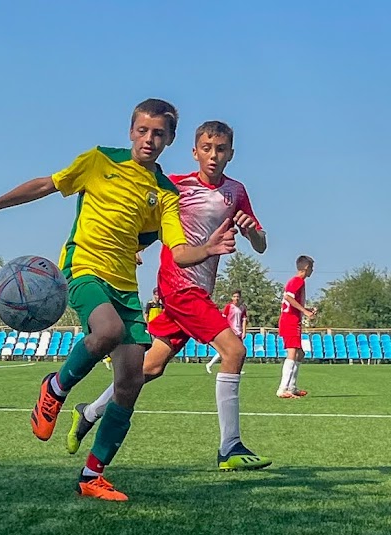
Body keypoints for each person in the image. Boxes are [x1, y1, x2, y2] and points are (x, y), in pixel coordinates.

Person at [0, 100, 237, 501]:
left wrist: (207, 248)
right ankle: (54, 387)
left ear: (171, 139)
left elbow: (177, 250)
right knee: (108, 331)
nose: (149, 139)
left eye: (158, 133)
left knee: (130, 382)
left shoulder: (165, 192)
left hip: (125, 287)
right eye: (143, 130)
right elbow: (45, 185)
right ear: (131, 131)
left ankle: (91, 476)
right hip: (84, 268)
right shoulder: (99, 160)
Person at [67, 120, 272, 473]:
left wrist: (254, 234)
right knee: (234, 350)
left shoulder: (235, 192)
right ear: (195, 152)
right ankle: (230, 446)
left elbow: (262, 244)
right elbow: (145, 213)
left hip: (198, 290)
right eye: (206, 149)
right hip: (179, 286)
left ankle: (88, 412)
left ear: (231, 154)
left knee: (149, 367)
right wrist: (129, 246)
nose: (213, 155)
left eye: (220, 149)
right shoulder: (175, 184)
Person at [276, 255, 315, 398]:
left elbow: (291, 301)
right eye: (312, 267)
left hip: (293, 320)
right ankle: (282, 389)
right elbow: (288, 297)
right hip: (289, 321)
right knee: (292, 352)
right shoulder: (297, 281)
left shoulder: (299, 282)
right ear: (306, 268)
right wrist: (304, 311)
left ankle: (292, 387)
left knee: (300, 354)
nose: (313, 270)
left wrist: (306, 309)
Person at [206, 289, 247, 374]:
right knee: (229, 350)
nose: (236, 298)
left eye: (238, 297)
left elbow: (244, 320)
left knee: (238, 351)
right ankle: (210, 364)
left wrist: (244, 331)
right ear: (232, 298)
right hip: (231, 331)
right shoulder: (229, 307)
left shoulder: (242, 308)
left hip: (238, 331)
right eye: (234, 296)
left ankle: (237, 369)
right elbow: (223, 317)